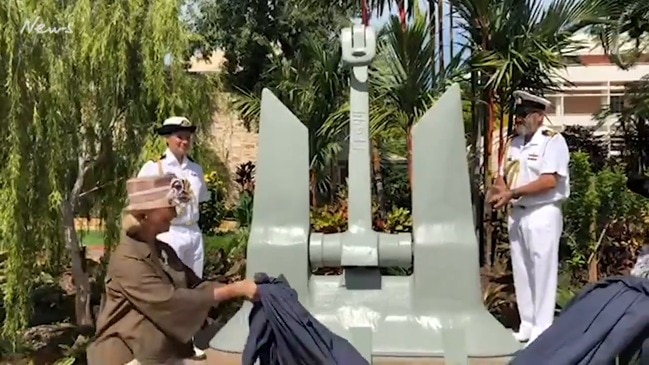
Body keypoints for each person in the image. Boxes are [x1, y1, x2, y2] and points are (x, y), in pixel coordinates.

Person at [87, 174, 258, 365]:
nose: (175, 214)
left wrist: (239, 289)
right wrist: (234, 290)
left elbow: (196, 285)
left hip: (161, 354)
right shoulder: (127, 260)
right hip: (128, 357)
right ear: (146, 214)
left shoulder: (163, 251)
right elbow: (170, 301)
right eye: (169, 207)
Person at [488, 90, 570, 345]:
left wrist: (512, 192)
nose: (519, 120)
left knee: (542, 272)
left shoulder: (552, 141)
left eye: (525, 116)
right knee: (522, 271)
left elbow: (549, 180)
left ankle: (543, 329)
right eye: (518, 115)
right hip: (518, 213)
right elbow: (503, 172)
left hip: (542, 212)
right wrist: (501, 189)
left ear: (539, 117)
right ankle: (527, 325)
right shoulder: (513, 143)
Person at [137, 116, 210, 358]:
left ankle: (189, 341)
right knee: (171, 288)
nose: (185, 141)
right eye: (179, 136)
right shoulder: (155, 168)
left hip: (193, 232)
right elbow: (140, 202)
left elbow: (200, 200)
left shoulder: (196, 170)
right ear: (167, 138)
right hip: (170, 232)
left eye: (188, 136)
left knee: (193, 287)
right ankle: (167, 343)